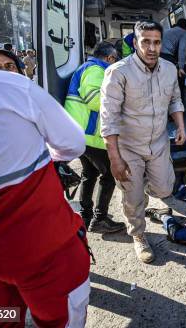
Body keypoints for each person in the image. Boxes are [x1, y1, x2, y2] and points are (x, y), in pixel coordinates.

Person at [0, 3, 90, 327]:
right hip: (44, 252)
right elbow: (72, 144)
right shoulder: (15, 89)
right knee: (60, 320)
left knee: (1, 321)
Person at [100, 20, 186, 264]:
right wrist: (115, 159)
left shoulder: (169, 69)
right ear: (135, 43)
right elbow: (109, 120)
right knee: (133, 197)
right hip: (129, 148)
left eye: (156, 42)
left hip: (159, 143)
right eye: (145, 41)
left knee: (165, 189)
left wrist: (180, 126)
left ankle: (141, 189)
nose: (151, 48)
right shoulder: (118, 72)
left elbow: (175, 99)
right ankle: (138, 235)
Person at [64, 41, 126, 233]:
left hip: (81, 134)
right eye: (115, 60)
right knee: (109, 173)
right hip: (90, 135)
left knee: (89, 173)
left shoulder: (87, 67)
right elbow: (94, 100)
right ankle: (99, 219)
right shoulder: (96, 70)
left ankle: (86, 214)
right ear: (110, 58)